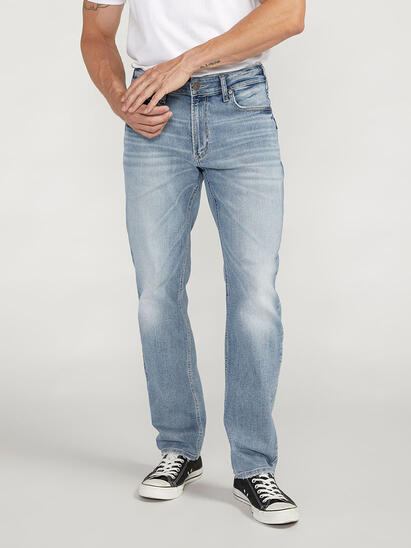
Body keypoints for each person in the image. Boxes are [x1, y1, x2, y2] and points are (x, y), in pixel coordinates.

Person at [81, 0, 305, 525]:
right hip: (154, 114)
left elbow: (289, 14)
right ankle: (179, 448)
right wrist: (120, 101)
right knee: (156, 294)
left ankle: (254, 466)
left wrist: (186, 62)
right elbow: (96, 33)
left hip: (240, 104)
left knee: (255, 294)